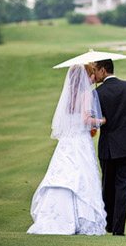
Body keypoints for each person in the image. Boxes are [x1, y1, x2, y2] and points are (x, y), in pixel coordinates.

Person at [27, 64, 107, 235]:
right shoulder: (85, 94)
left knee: (63, 173)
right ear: (86, 77)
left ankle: (55, 216)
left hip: (67, 142)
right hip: (80, 142)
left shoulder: (68, 96)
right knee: (81, 176)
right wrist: (100, 121)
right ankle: (81, 219)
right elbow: (86, 119)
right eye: (91, 75)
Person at [93, 59, 126, 236]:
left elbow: (96, 123)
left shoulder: (97, 93)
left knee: (107, 187)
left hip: (108, 148)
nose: (94, 75)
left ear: (103, 70)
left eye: (96, 70)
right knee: (123, 187)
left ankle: (108, 225)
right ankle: (118, 230)